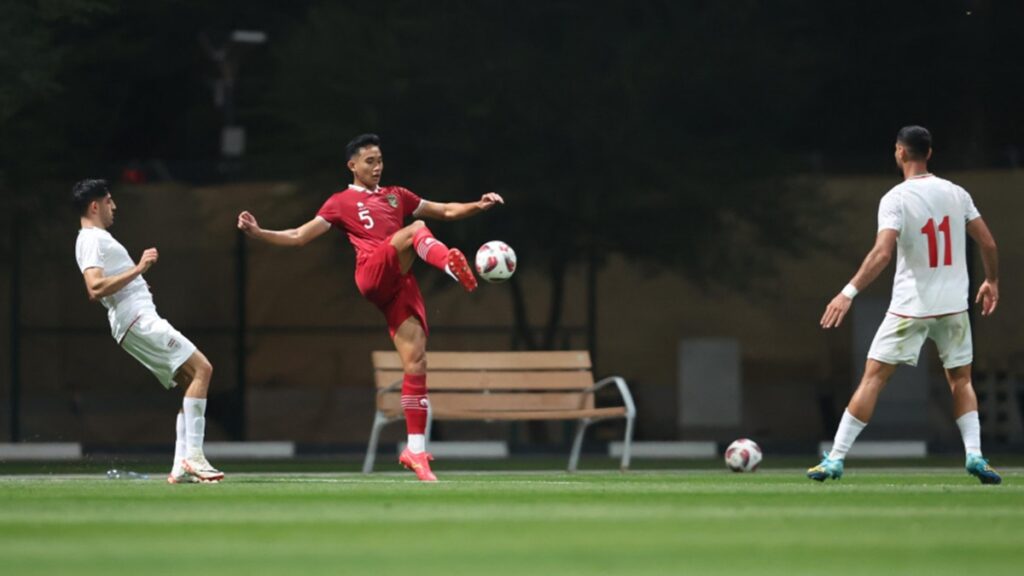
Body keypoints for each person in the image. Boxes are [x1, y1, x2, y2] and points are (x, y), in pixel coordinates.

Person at [237, 133, 504, 482]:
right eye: (369, 161)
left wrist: (478, 205)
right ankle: (448, 265)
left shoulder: (398, 196)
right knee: (418, 228)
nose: (377, 168)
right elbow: (299, 236)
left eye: (380, 161)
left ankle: (415, 450)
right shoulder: (339, 202)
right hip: (372, 273)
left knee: (417, 362)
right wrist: (259, 233)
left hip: (400, 283)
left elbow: (446, 210)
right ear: (352, 165)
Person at [809, 126, 1001, 484]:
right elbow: (988, 244)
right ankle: (974, 455)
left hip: (910, 307)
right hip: (953, 307)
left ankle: (834, 459)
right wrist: (991, 281)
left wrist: (847, 293)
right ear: (929, 153)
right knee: (961, 380)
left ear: (899, 152)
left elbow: (883, 252)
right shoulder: (957, 193)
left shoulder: (896, 198)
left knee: (874, 379)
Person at [73, 179, 224, 484]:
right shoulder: (91, 238)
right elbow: (95, 288)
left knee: (188, 380)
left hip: (134, 320)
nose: (114, 206)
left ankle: (182, 465)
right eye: (109, 201)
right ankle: (194, 457)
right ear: (95, 205)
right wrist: (139, 269)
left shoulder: (97, 238)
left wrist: (135, 281)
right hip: (137, 319)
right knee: (202, 369)